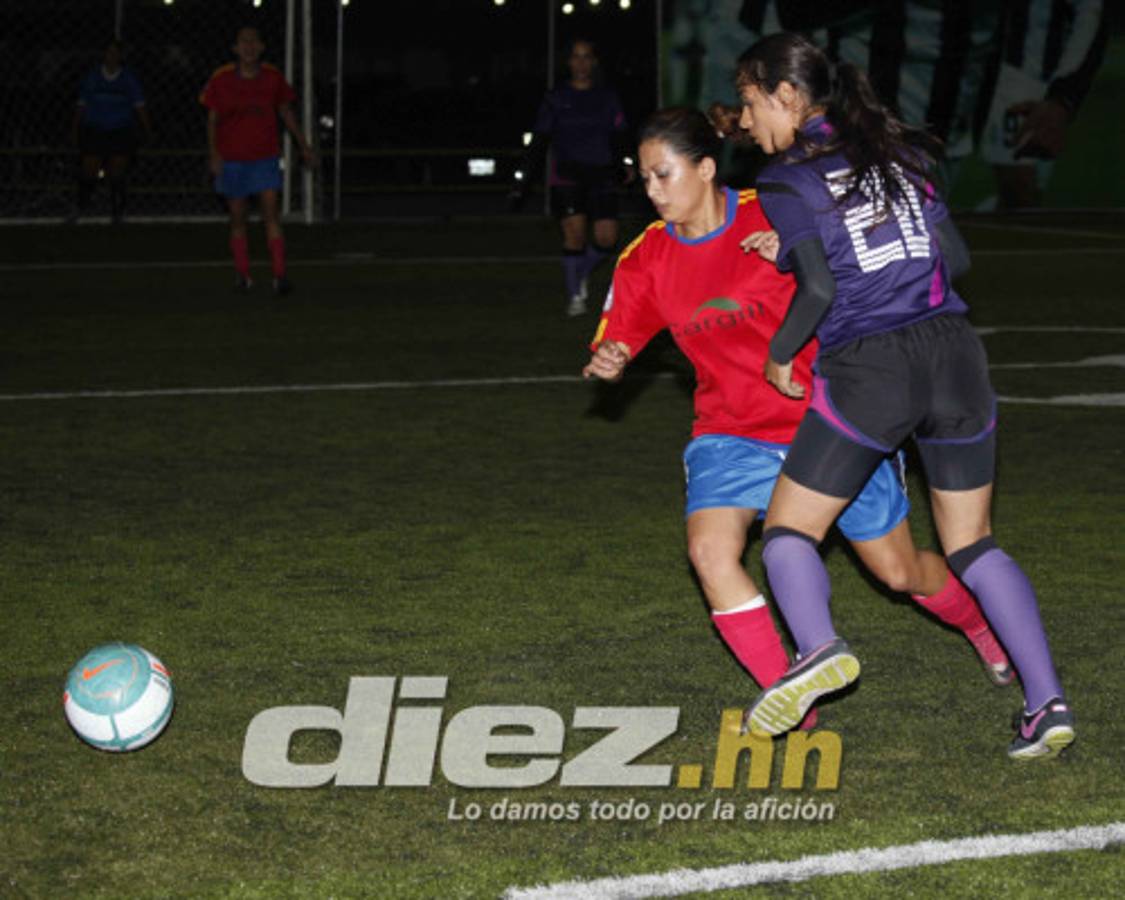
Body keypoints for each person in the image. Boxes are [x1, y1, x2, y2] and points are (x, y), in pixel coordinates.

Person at [583, 106, 1013, 733]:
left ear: (705, 169)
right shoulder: (644, 259)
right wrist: (612, 355)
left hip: (828, 420)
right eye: (643, 179)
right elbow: (615, 336)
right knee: (709, 551)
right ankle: (795, 703)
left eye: (662, 174)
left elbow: (871, 264)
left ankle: (977, 623)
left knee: (899, 572)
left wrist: (794, 250)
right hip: (728, 432)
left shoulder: (777, 206)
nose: (651, 191)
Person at [733, 33, 1073, 760]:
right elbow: (954, 258)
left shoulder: (785, 178)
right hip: (954, 356)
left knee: (789, 531)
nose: (744, 118)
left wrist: (780, 351)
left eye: (749, 101)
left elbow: (820, 287)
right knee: (971, 544)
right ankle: (1045, 701)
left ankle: (818, 646)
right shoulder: (902, 153)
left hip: (872, 368)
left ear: (786, 95)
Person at [510, 37, 635, 318]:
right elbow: (539, 139)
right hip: (567, 176)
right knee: (574, 236)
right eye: (576, 57)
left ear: (594, 62)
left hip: (601, 174)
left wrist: (627, 163)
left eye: (586, 56)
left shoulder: (607, 97)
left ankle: (580, 274)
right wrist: (523, 179)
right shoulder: (556, 98)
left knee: (606, 239)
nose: (581, 63)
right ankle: (574, 296)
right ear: (568, 62)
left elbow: (620, 134)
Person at [200, 26, 315, 295]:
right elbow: (212, 118)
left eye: (254, 42)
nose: (249, 47)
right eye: (244, 42)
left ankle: (280, 275)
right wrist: (215, 153)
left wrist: (303, 145)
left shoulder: (273, 77)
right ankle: (243, 274)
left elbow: (285, 112)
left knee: (271, 215)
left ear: (261, 47)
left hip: (264, 158)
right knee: (238, 219)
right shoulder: (222, 78)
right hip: (233, 160)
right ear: (235, 48)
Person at [977, 0, 1107, 209]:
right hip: (1008, 74)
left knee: (1027, 194)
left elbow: (1090, 14)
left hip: (1049, 75)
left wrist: (1065, 91)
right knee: (1020, 188)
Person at [70, 39, 153, 223]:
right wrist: (75, 129)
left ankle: (118, 211)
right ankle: (80, 207)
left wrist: (147, 130)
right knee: (89, 169)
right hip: (95, 128)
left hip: (120, 129)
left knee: (117, 171)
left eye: (116, 53)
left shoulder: (128, 79)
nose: (112, 57)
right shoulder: (92, 77)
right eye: (109, 52)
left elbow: (140, 106)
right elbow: (80, 106)